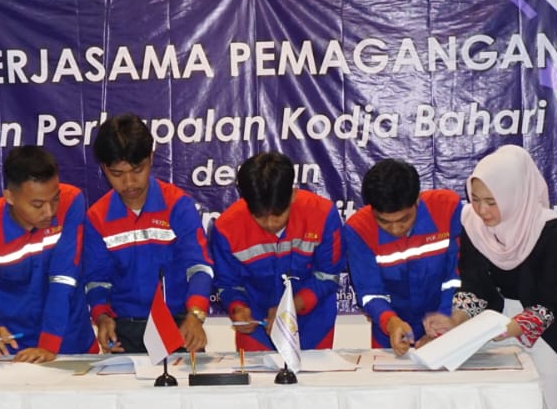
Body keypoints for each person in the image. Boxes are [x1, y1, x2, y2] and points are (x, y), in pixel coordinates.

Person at [455, 145, 557, 409]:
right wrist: (455, 320)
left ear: (514, 195)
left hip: (549, 329)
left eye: (491, 202)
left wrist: (511, 328)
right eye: (476, 199)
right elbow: (473, 285)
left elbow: (553, 297)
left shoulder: (548, 227)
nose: (482, 210)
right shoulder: (472, 225)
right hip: (496, 323)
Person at [82, 114, 212, 355]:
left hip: (179, 325)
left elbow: (199, 267)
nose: (129, 183)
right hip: (125, 331)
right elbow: (97, 280)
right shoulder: (97, 217)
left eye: (137, 170)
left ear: (151, 158)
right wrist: (101, 317)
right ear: (104, 169)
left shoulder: (178, 205)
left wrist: (196, 314)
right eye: (117, 174)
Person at [0, 145, 93, 360]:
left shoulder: (72, 201)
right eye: (37, 205)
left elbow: (63, 279)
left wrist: (48, 346)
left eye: (55, 199)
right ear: (9, 197)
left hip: (71, 344)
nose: (50, 211)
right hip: (13, 352)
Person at [209, 151, 343, 352]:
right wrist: (238, 308)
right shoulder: (226, 228)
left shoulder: (323, 215)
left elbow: (328, 277)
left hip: (313, 327)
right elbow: (228, 284)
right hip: (257, 331)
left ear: (293, 194)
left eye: (278, 215)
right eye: (260, 217)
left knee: (314, 373)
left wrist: (290, 308)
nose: (270, 224)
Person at [342, 159, 462, 355]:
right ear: (371, 209)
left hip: (447, 324)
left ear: (417, 200)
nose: (396, 229)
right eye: (384, 222)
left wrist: (443, 322)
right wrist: (391, 322)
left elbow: (455, 277)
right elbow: (370, 292)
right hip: (390, 334)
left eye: (404, 219)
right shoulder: (358, 229)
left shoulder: (447, 209)